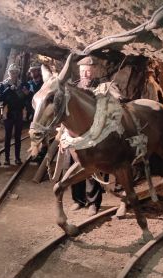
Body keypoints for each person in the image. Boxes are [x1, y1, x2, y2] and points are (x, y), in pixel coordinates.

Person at [67, 56, 103, 216]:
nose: (86, 74)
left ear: (94, 71)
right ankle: (77, 200)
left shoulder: (102, 88)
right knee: (72, 168)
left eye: (89, 71)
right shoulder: (73, 88)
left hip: (92, 136)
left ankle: (93, 203)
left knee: (91, 169)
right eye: (83, 71)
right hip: (73, 136)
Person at [0, 63, 28, 165]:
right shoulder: (4, 84)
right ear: (9, 73)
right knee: (7, 137)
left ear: (18, 73)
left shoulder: (21, 84)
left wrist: (25, 93)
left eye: (15, 72)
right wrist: (8, 89)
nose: (14, 74)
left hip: (18, 113)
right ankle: (7, 159)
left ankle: (17, 158)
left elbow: (25, 99)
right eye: (12, 72)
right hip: (8, 113)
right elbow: (0, 98)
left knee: (18, 137)